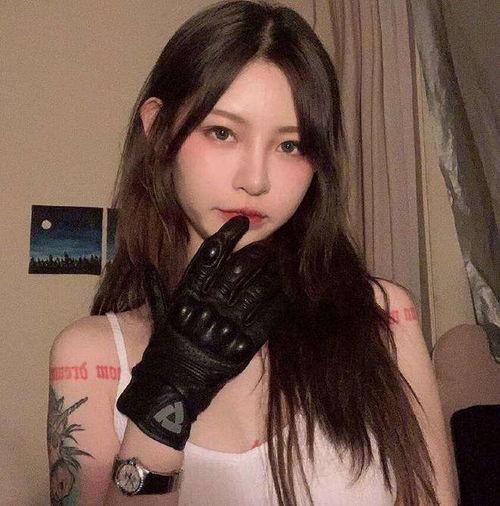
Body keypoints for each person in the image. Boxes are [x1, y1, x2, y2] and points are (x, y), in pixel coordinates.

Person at [47, 1, 458, 504]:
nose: (256, 180)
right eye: (222, 133)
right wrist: (167, 398)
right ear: (158, 128)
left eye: (290, 145)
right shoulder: (90, 355)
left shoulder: (384, 317)